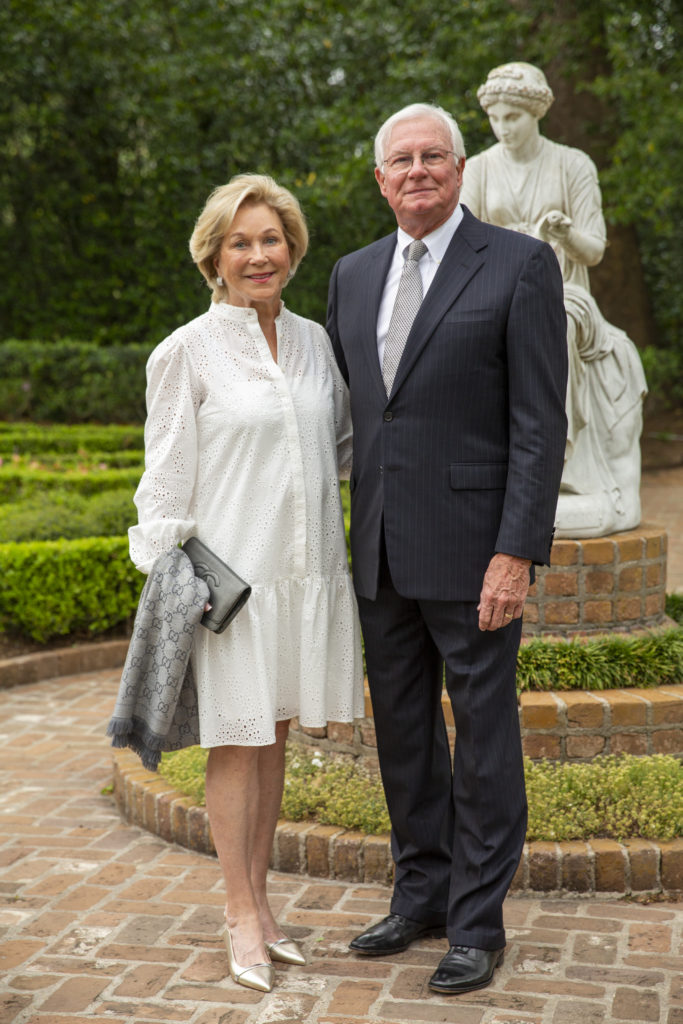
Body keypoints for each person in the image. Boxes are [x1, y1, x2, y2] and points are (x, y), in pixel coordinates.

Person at [326, 103, 567, 995]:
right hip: (381, 553)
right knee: (403, 738)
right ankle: (419, 893)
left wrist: (516, 552)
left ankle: (476, 920)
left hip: (474, 556)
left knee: (484, 741)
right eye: (401, 160)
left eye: (433, 156)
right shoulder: (351, 276)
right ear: (380, 180)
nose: (417, 170)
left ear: (458, 171)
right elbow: (359, 417)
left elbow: (540, 425)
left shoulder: (518, 264)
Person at [129, 174, 364, 993]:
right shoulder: (184, 352)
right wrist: (178, 584)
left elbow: (338, 448)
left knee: (274, 744)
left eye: (271, 239)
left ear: (292, 250)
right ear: (214, 257)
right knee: (236, 743)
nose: (258, 255)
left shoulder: (314, 342)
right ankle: (236, 912)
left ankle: (264, 908)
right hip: (232, 586)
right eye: (241, 242)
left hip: (306, 577)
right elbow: (162, 489)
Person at [461, 62, 647, 538]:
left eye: (513, 117)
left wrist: (564, 234)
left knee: (554, 317)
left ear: (535, 114)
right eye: (495, 118)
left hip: (566, 294)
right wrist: (525, 240)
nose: (503, 128)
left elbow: (595, 250)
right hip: (494, 295)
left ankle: (553, 464)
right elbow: (462, 248)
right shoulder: (478, 169)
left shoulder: (573, 165)